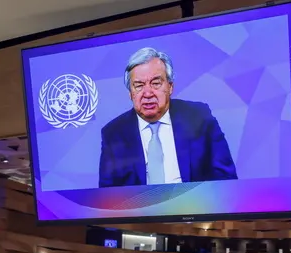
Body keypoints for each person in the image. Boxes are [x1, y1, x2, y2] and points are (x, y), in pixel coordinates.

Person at [98, 47, 237, 187]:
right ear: (130, 93)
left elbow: (226, 178)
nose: (147, 93)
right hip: (138, 208)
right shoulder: (113, 133)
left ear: (170, 87)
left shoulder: (199, 116)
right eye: (139, 86)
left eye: (156, 83)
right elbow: (106, 196)